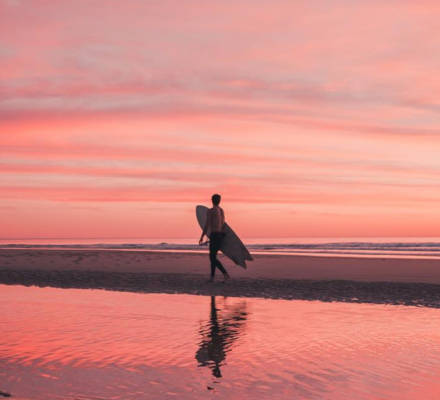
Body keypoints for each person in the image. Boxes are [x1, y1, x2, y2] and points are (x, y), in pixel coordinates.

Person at [199, 194, 230, 282]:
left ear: (212, 200)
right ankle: (212, 277)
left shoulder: (211, 211)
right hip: (220, 236)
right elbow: (223, 224)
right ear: (219, 201)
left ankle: (225, 274)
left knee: (212, 257)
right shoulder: (221, 210)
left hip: (214, 235)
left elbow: (207, 225)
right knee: (213, 257)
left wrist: (202, 236)